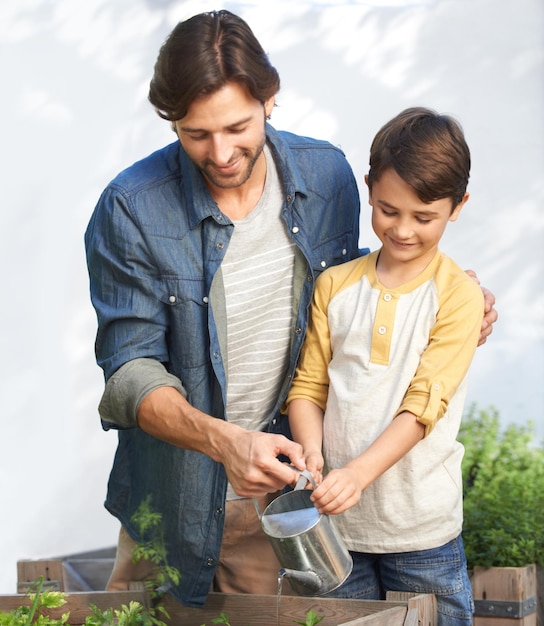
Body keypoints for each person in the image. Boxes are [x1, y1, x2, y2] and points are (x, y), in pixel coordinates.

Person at [84, 11, 497, 609]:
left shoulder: (326, 176)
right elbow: (129, 372)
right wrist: (223, 441)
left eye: (236, 126)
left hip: (284, 506)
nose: (220, 153)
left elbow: (347, 282)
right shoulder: (131, 208)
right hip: (170, 506)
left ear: (270, 99)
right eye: (195, 134)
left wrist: (447, 295)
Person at [285, 107, 484, 626]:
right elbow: (308, 386)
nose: (402, 229)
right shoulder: (335, 286)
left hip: (421, 530)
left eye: (424, 217)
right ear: (369, 187)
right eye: (388, 210)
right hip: (338, 529)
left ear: (457, 206)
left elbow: (425, 405)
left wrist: (356, 474)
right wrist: (312, 455)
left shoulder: (458, 296)